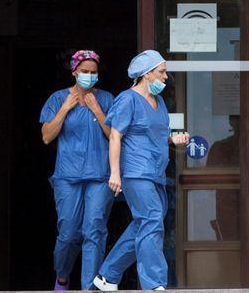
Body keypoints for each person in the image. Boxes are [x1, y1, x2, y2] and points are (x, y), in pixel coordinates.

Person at [93, 50, 190, 292]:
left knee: (143, 223)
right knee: (151, 221)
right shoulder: (128, 99)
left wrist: (173, 139)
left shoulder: (159, 104)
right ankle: (154, 283)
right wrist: (115, 173)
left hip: (156, 173)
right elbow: (116, 135)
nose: (166, 77)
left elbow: (153, 135)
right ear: (147, 74)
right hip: (136, 173)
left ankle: (107, 276)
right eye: (161, 71)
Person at [40, 50, 116, 291]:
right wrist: (65, 109)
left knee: (94, 229)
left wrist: (97, 111)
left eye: (93, 73)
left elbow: (115, 136)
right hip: (67, 177)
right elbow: (46, 137)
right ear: (74, 72)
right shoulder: (57, 98)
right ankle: (62, 276)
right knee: (69, 233)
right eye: (84, 72)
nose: (89, 76)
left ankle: (88, 288)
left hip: (100, 176)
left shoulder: (106, 99)